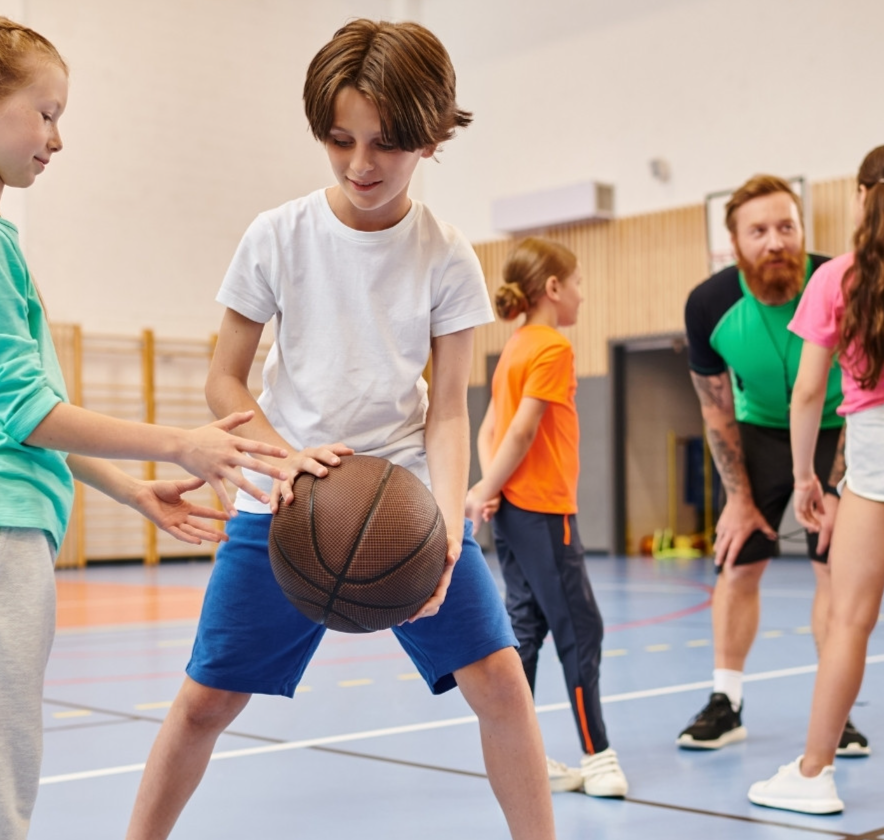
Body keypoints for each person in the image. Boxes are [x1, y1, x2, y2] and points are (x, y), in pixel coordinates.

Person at [0, 14, 287, 840]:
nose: (58, 138)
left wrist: (131, 489)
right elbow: (26, 415)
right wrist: (182, 441)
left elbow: (14, 420)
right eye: (46, 113)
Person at [125, 19, 555, 840]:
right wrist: (284, 459)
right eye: (340, 140)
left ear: (430, 137)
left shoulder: (447, 255)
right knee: (205, 701)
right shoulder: (277, 235)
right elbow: (226, 377)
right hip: (283, 500)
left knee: (500, 682)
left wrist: (453, 522)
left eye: (387, 145)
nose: (362, 165)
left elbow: (450, 407)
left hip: (400, 504)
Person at [678, 175, 868, 756]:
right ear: (734, 243)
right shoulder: (708, 304)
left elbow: (863, 388)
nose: (775, 242)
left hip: (840, 427)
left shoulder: (845, 284)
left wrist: (835, 486)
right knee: (738, 560)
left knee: (834, 566)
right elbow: (715, 411)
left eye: (787, 227)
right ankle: (725, 701)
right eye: (758, 231)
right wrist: (737, 497)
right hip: (756, 431)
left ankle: (837, 714)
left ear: (803, 231)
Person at [749, 144, 884, 814]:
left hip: (878, 449)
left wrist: (807, 475)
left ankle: (814, 775)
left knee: (849, 619)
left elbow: (808, 392)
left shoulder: (838, 279)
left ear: (866, 195)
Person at [466, 238, 629, 798]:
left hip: (512, 512)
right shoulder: (552, 347)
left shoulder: (513, 347)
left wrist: (491, 490)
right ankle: (598, 754)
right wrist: (490, 487)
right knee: (580, 628)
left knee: (526, 630)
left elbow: (488, 430)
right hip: (542, 510)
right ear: (553, 288)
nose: (582, 295)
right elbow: (520, 430)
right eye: (577, 283)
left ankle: (525, 757)